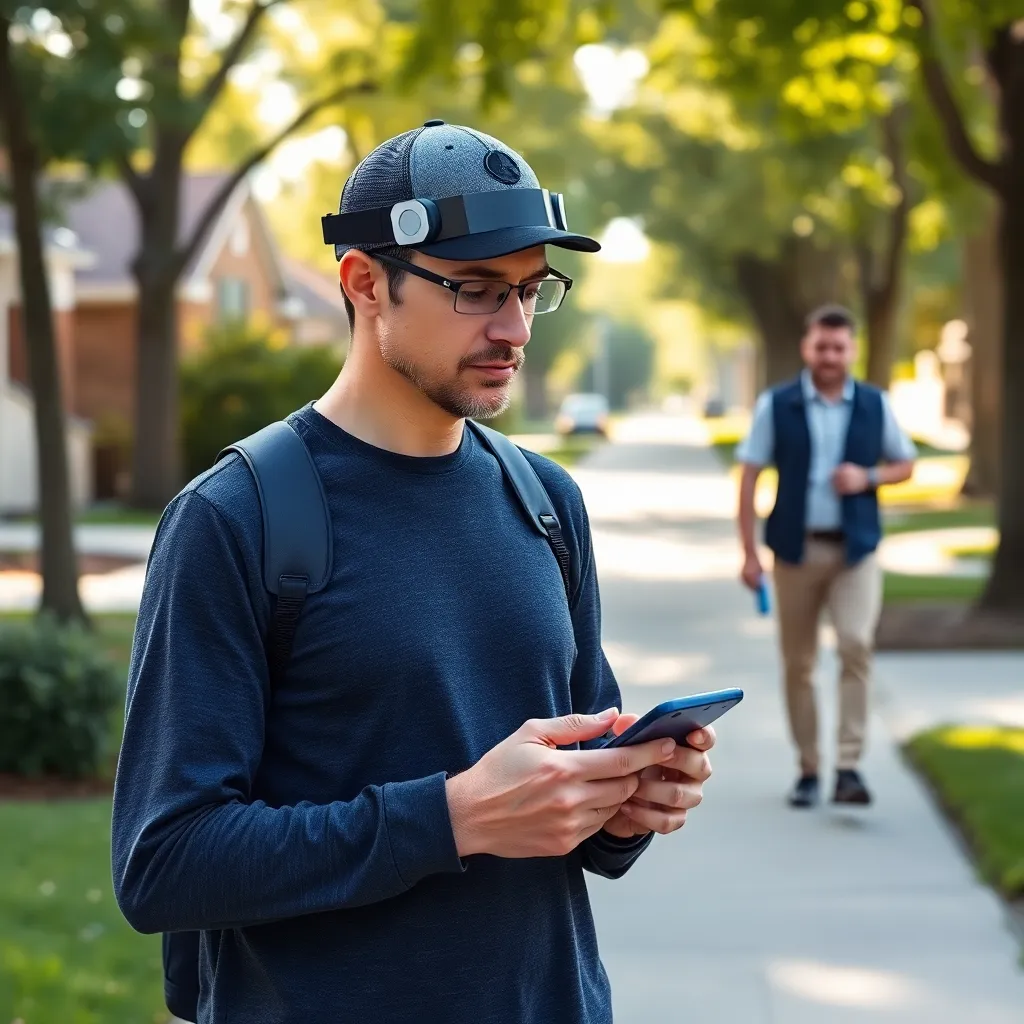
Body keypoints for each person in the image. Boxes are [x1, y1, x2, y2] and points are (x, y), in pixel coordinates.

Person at [111, 120, 716, 1024]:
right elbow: (165, 864)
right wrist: (455, 817)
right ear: (365, 283)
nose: (513, 328)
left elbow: (568, 783)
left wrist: (624, 803)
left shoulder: (546, 501)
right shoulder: (235, 518)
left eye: (530, 290)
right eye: (475, 289)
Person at [735, 304, 915, 809]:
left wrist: (869, 477)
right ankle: (810, 769)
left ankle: (850, 767)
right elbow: (748, 478)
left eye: (839, 347)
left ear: (852, 350)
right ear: (807, 348)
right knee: (799, 663)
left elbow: (904, 464)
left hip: (856, 551)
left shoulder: (875, 405)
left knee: (856, 644)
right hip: (794, 550)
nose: (830, 355)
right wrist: (750, 554)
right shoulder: (779, 404)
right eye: (821, 346)